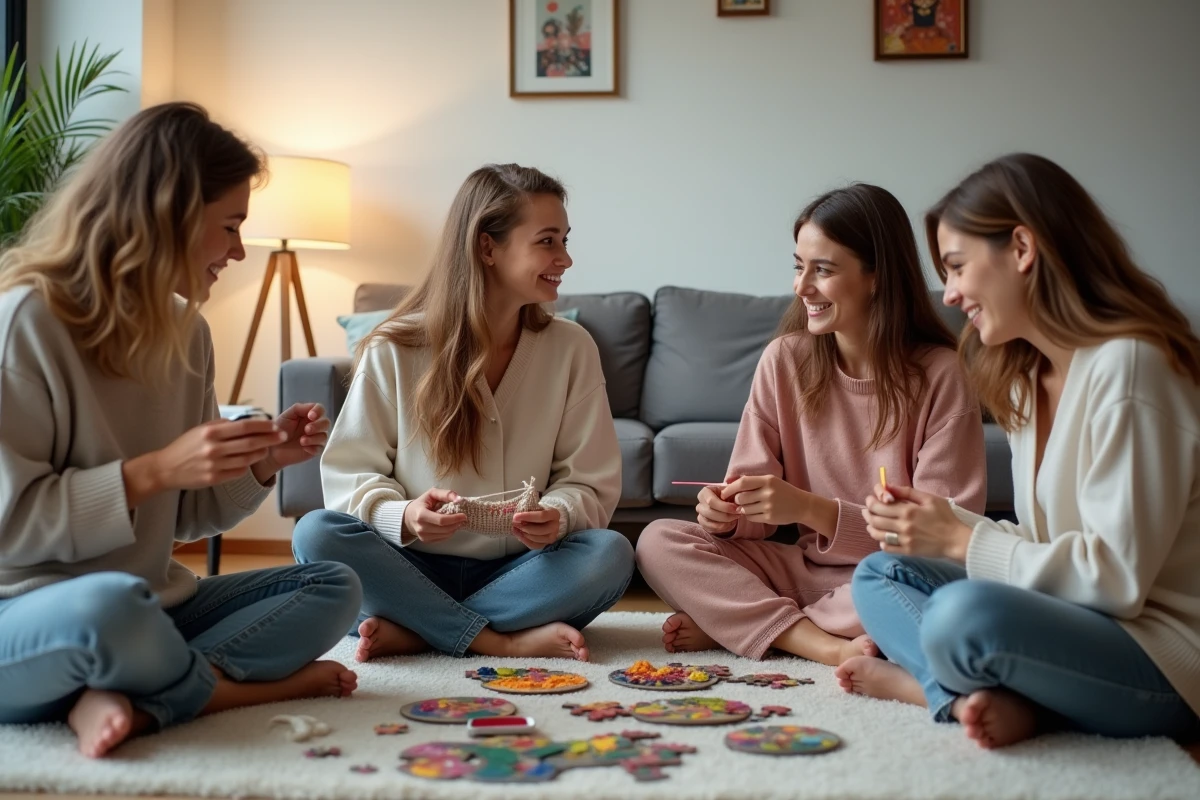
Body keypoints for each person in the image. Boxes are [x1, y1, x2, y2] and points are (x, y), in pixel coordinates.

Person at [0, 103, 362, 759]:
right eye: (229, 226)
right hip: (28, 615)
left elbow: (188, 517)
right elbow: (9, 524)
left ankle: (139, 692)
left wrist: (261, 462)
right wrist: (154, 471)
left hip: (148, 606)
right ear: (165, 214)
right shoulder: (24, 321)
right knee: (108, 610)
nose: (239, 250)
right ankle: (222, 689)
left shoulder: (185, 332)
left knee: (330, 584)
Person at [841, 153, 1200, 749]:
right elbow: (1048, 546)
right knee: (882, 572)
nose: (950, 294)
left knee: (962, 619)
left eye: (956, 267)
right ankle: (973, 697)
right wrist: (939, 523)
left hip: (1162, 654)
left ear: (1023, 249)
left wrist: (961, 541)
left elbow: (1116, 581)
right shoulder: (1025, 377)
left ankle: (939, 687)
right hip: (1078, 623)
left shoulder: (1131, 366)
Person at [292, 163, 633, 663]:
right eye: (547, 241)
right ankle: (498, 638)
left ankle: (419, 628)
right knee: (315, 533)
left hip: (522, 571)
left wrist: (557, 516)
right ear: (487, 247)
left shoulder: (571, 347)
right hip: (408, 563)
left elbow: (589, 481)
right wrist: (404, 516)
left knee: (611, 555)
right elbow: (350, 473)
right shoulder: (394, 347)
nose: (565, 258)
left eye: (564, 239)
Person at [635, 184, 987, 665]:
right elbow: (751, 512)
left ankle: (753, 622)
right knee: (659, 541)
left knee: (937, 594)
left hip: (891, 577)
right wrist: (730, 514)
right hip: (803, 572)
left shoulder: (942, 374)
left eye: (822, 269)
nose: (802, 287)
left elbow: (945, 540)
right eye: (799, 266)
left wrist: (813, 509)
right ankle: (817, 642)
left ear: (876, 277)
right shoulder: (784, 360)